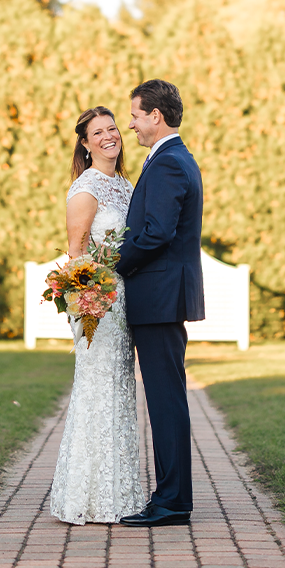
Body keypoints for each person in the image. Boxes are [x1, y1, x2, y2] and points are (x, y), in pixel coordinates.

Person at [48, 106, 146, 525]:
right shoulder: (86, 187)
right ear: (85, 145)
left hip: (122, 302)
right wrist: (91, 302)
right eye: (98, 133)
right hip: (97, 304)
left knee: (119, 390)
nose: (109, 136)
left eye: (113, 129)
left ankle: (118, 491)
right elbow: (76, 252)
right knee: (96, 389)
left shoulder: (123, 184)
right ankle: (85, 495)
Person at [117, 79, 205, 527]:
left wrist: (116, 261)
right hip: (161, 298)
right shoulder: (171, 158)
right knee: (166, 400)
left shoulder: (170, 162)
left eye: (134, 115)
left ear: (156, 115)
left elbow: (157, 232)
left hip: (159, 298)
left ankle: (172, 502)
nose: (129, 123)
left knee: (166, 402)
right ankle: (173, 497)